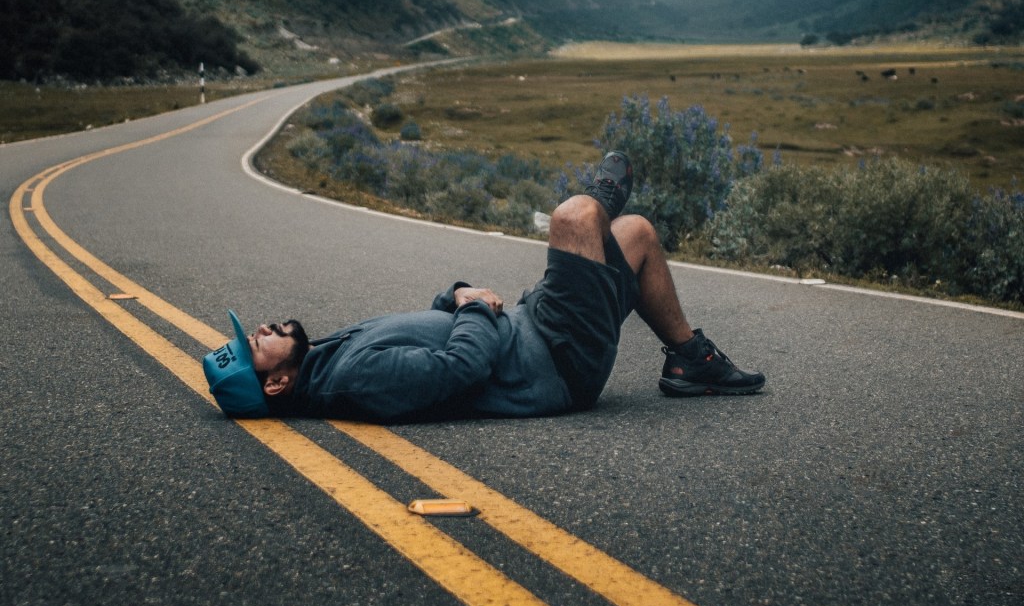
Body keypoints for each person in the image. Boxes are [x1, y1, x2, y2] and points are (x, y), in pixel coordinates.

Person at [203, 152, 765, 421]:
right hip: (557, 359)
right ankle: (598, 196)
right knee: (574, 217)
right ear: (275, 385)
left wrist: (457, 296)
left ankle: (691, 360)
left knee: (636, 236)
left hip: (532, 325)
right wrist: (473, 309)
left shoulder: (327, 358)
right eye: (256, 344)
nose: (260, 328)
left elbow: (435, 330)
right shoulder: (354, 379)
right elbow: (458, 369)